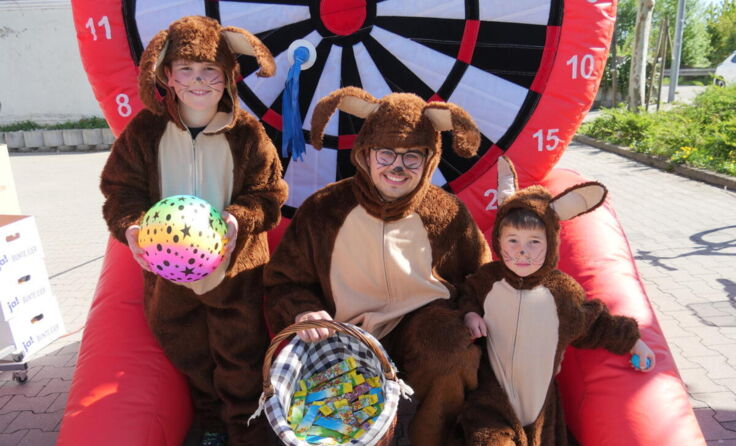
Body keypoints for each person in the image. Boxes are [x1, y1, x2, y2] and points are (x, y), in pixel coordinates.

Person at [263, 86, 491, 446]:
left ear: (430, 159)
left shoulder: (448, 213)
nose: (397, 167)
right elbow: (282, 282)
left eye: (412, 156)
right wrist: (303, 310)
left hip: (423, 329)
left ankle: (427, 438)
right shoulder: (324, 209)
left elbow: (481, 275)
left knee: (452, 350)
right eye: (386, 153)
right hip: (346, 339)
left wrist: (470, 309)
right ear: (365, 154)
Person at [99, 16, 287, 446]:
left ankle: (247, 433)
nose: (198, 81)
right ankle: (213, 426)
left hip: (234, 274)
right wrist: (131, 227)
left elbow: (269, 194)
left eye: (210, 71)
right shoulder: (145, 131)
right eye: (186, 69)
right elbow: (119, 190)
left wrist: (239, 219)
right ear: (167, 75)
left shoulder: (247, 133)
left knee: (240, 360)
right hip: (167, 277)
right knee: (190, 355)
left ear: (229, 77)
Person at [456, 157, 656, 446]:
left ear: (550, 242)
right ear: (498, 239)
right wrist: (470, 315)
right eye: (512, 240)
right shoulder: (488, 279)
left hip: (540, 404)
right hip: (491, 397)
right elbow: (466, 296)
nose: (522, 251)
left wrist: (634, 342)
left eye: (534, 242)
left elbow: (594, 324)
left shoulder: (561, 291)